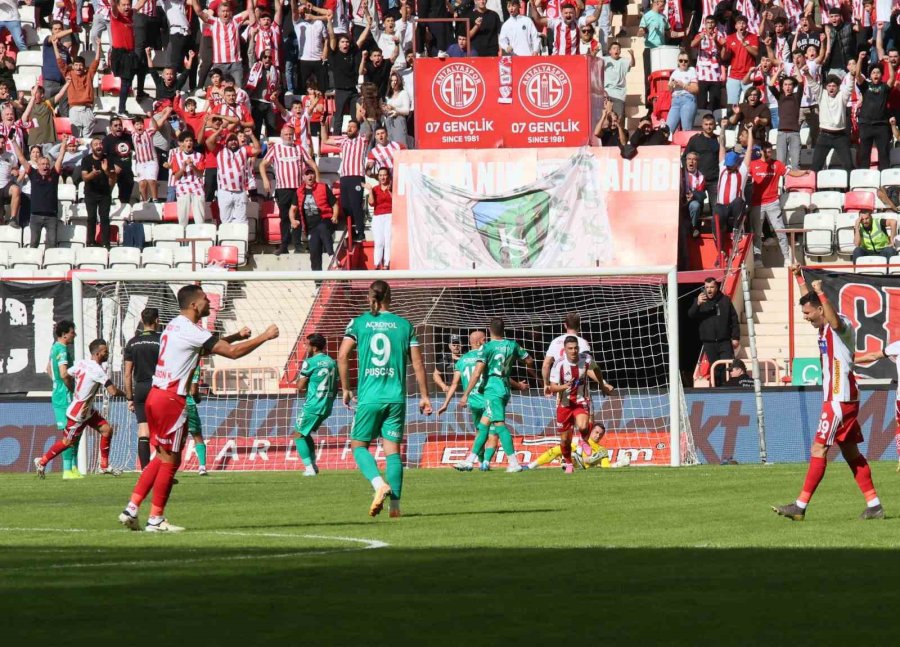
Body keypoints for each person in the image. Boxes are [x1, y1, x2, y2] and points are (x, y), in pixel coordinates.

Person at [118, 284, 279, 532]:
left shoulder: (174, 324)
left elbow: (206, 346)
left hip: (155, 395)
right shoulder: (191, 330)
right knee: (171, 460)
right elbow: (232, 354)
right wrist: (265, 336)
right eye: (205, 299)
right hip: (171, 399)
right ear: (194, 304)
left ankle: (132, 507)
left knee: (160, 456)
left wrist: (236, 335)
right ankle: (156, 519)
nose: (209, 303)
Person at [774, 269, 884, 521]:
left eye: (808, 313)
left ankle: (800, 507)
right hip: (843, 398)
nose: (805, 317)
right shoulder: (823, 324)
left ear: (821, 309)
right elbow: (810, 301)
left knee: (818, 448)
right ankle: (874, 505)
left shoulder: (840, 326)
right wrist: (799, 279)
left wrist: (822, 293)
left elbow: (832, 319)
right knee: (850, 452)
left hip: (839, 398)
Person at [338, 280, 432, 517]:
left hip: (370, 396)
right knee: (393, 451)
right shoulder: (404, 325)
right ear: (391, 297)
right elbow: (418, 363)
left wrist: (347, 389)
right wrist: (424, 396)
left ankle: (379, 485)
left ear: (370, 296)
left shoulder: (358, 323)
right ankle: (396, 508)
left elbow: (342, 356)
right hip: (396, 398)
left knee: (358, 446)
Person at [34, 339, 125, 478]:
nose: (108, 353)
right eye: (105, 351)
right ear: (98, 353)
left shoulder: (82, 363)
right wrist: (128, 395)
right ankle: (42, 461)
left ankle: (104, 466)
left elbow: (65, 375)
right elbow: (112, 391)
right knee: (67, 442)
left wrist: (74, 390)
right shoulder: (98, 370)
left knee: (107, 430)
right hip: (78, 414)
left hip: (87, 411)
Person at [438, 330, 528, 471]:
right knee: (490, 431)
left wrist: (456, 398)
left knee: (486, 428)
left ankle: (505, 462)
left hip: (480, 397)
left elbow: (456, 382)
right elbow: (501, 371)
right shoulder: (492, 351)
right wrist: (519, 384)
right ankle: (481, 461)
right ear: (481, 341)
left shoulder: (465, 358)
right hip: (489, 394)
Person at [458, 316, 534, 473]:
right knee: (484, 424)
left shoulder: (487, 348)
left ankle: (514, 462)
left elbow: (477, 372)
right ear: (503, 330)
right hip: (504, 386)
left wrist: (466, 394)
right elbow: (529, 360)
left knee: (499, 425)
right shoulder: (512, 345)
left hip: (492, 389)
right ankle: (470, 461)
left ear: (490, 330)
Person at [546, 336, 613, 473]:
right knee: (565, 440)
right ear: (565, 350)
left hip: (580, 400)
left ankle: (583, 440)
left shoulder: (586, 360)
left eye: (576, 348)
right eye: (570, 348)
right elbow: (552, 387)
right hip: (564, 404)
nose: (574, 351)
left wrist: (602, 384)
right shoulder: (559, 364)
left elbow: (597, 370)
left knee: (583, 426)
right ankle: (569, 464)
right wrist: (563, 386)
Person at [748, 140, 809, 267]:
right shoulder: (753, 165)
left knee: (780, 231)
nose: (769, 154)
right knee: (757, 233)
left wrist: (803, 172)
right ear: (760, 152)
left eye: (770, 152)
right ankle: (758, 260)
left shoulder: (777, 164)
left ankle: (787, 258)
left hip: (772, 203)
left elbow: (791, 173)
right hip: (757, 203)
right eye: (766, 152)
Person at [260, 124, 320, 255]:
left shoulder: (299, 149)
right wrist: (265, 179)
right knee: (284, 217)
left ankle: (298, 245)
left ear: (293, 136)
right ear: (281, 136)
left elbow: (312, 163)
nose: (288, 136)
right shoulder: (276, 149)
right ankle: (284, 245)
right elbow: (263, 164)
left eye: (290, 134)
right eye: (286, 134)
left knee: (298, 216)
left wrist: (318, 180)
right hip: (283, 188)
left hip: (298, 188)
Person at [123, 308, 161, 472]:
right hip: (159, 388)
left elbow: (127, 374)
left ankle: (145, 470)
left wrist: (130, 398)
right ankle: (163, 469)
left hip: (141, 389)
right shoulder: (163, 340)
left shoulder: (132, 342)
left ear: (142, 320)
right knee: (162, 431)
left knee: (143, 430)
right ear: (157, 320)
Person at [294, 333, 337, 477]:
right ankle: (313, 465)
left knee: (298, 435)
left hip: (313, 404)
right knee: (306, 434)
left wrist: (302, 380)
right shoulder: (331, 362)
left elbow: (300, 386)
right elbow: (336, 385)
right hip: (327, 405)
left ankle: (309, 468)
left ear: (314, 347)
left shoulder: (309, 362)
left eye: (306, 344)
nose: (305, 347)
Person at [12, 138, 67, 249]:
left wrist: (64, 143)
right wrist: (13, 141)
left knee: (52, 244)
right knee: (34, 244)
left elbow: (60, 157)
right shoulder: (33, 174)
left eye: (47, 164)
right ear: (38, 165)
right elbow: (21, 158)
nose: (45, 166)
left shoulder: (54, 174)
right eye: (42, 164)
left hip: (51, 217)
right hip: (35, 216)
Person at [689, 277, 741, 387]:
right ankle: (718, 389)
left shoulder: (725, 300)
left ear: (716, 287)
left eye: (712, 287)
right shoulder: (700, 301)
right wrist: (697, 304)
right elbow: (691, 315)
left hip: (724, 341)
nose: (709, 290)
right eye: (707, 287)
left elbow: (734, 319)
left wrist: (735, 337)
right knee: (715, 368)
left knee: (727, 366)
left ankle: (728, 388)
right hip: (709, 342)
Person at [713, 126, 753, 263]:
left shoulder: (742, 169)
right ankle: (720, 250)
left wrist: (751, 132)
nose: (729, 168)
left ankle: (737, 228)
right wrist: (723, 128)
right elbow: (722, 144)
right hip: (722, 206)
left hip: (735, 205)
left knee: (738, 201)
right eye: (728, 165)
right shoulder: (723, 166)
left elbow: (749, 150)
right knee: (716, 214)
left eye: (731, 165)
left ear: (737, 163)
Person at [325, 120, 369, 243]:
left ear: (358, 130)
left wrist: (365, 118)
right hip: (344, 177)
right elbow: (325, 140)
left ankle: (361, 233)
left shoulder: (362, 140)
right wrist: (323, 125)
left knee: (356, 204)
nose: (349, 129)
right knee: (345, 206)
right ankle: (351, 232)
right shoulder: (343, 140)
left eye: (352, 127)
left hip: (356, 176)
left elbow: (370, 133)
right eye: (348, 126)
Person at [48, 320, 80, 480]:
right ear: (65, 334)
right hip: (64, 397)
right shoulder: (61, 349)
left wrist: (56, 385)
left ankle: (74, 467)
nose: (75, 334)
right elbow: (63, 374)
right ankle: (67, 470)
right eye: (73, 332)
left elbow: (48, 369)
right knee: (69, 433)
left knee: (75, 431)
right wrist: (71, 389)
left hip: (59, 394)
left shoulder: (54, 347)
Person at [525, 421, 628, 470]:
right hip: (578, 460)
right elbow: (555, 451)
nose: (598, 435)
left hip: (584, 467)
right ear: (590, 431)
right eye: (596, 432)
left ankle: (569, 462)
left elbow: (606, 468)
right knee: (557, 449)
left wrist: (620, 464)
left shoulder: (602, 450)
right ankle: (530, 466)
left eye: (601, 434)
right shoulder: (578, 441)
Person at [210, 128, 261, 224]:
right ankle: (227, 239)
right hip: (224, 191)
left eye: (234, 139)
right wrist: (218, 131)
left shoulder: (244, 150)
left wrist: (251, 135)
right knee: (225, 220)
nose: (233, 142)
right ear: (225, 142)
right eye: (230, 140)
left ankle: (240, 239)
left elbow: (258, 150)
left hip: (240, 191)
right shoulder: (219, 150)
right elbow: (209, 142)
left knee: (241, 220)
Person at [854, 51, 893, 171]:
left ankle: (885, 184)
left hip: (881, 126)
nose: (876, 74)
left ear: (881, 75)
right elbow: (857, 75)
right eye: (873, 72)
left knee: (884, 155)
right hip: (866, 125)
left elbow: (891, 77)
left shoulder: (884, 87)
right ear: (870, 75)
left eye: (878, 72)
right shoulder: (865, 85)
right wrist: (860, 59)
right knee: (864, 155)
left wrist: (889, 63)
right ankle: (863, 181)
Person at [295, 166, 339, 270]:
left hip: (326, 220)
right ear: (303, 177)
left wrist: (335, 215)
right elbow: (292, 209)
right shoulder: (299, 192)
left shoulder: (323, 187)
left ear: (315, 175)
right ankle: (317, 283)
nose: (310, 176)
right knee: (314, 254)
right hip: (312, 228)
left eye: (312, 173)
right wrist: (293, 220)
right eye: (307, 174)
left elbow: (335, 204)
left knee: (322, 227)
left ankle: (332, 256)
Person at [55, 42, 101, 138]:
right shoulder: (69, 74)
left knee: (87, 138)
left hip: (87, 109)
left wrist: (99, 46)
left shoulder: (89, 74)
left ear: (84, 67)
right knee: (76, 138)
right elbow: (60, 62)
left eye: (80, 65)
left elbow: (96, 62)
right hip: (74, 109)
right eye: (76, 65)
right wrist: (55, 45)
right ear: (73, 66)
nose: (78, 67)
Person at [80, 136, 118, 249]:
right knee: (91, 217)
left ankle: (106, 243)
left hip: (105, 193)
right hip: (90, 193)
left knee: (104, 218)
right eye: (96, 144)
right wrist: (92, 174)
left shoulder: (108, 159)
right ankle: (90, 242)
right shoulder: (86, 159)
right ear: (92, 147)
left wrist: (106, 170)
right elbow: (85, 177)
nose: (99, 146)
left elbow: (113, 177)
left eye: (100, 144)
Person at [813, 74, 854, 171]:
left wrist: (852, 76)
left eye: (834, 86)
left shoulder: (842, 96)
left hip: (840, 136)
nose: (831, 88)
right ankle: (814, 186)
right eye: (829, 86)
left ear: (838, 87)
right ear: (826, 87)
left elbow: (850, 87)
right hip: (824, 136)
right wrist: (807, 74)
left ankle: (848, 186)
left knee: (848, 165)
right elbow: (813, 85)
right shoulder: (821, 95)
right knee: (815, 166)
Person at [686, 114, 721, 214]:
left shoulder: (718, 139)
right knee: (697, 207)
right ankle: (696, 229)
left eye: (711, 124)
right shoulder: (695, 139)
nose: (708, 126)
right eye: (706, 124)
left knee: (716, 209)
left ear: (714, 125)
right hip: (697, 180)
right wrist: (690, 173)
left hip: (714, 179)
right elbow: (685, 157)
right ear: (702, 125)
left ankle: (716, 230)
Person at [170, 132, 206, 227]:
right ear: (181, 143)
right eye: (186, 141)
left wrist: (192, 166)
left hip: (197, 186)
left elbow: (200, 173)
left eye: (190, 140)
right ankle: (183, 238)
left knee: (199, 216)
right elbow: (176, 176)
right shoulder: (176, 157)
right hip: (182, 186)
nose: (189, 143)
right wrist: (183, 167)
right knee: (182, 217)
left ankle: (200, 237)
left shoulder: (199, 156)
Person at [723, 14, 759, 105]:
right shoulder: (730, 38)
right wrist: (723, 46)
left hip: (748, 76)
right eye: (739, 23)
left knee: (750, 104)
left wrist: (745, 43)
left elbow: (756, 53)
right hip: (733, 76)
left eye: (744, 23)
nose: (741, 25)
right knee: (732, 105)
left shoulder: (753, 37)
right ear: (736, 26)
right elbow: (724, 57)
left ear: (747, 26)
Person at [102, 116, 135, 208]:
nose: (118, 127)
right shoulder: (107, 140)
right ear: (111, 128)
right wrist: (111, 167)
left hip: (127, 171)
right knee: (107, 191)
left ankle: (125, 213)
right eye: (115, 125)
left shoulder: (128, 137)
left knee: (125, 199)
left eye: (120, 125)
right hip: (113, 171)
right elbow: (103, 157)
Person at [638, 0, 667, 98]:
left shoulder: (663, 17)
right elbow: (640, 31)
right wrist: (641, 32)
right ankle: (649, 105)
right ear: (657, 2)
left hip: (661, 50)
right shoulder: (647, 16)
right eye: (663, 3)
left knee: (661, 77)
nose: (665, 5)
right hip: (649, 50)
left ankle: (660, 101)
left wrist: (683, 33)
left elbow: (670, 33)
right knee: (649, 77)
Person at [667, 53, 699, 133]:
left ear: (688, 62)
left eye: (685, 61)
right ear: (678, 62)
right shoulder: (674, 72)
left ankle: (687, 145)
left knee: (686, 129)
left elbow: (696, 89)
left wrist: (683, 85)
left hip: (687, 99)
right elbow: (670, 90)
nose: (683, 63)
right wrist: (671, 85)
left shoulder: (691, 70)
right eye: (681, 61)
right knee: (668, 129)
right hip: (675, 101)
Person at [368, 167, 393, 270]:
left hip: (390, 215)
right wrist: (370, 190)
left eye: (384, 175)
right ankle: (377, 263)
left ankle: (386, 263)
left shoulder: (392, 188)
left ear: (388, 176)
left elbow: (396, 201)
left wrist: (390, 190)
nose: (383, 177)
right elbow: (372, 203)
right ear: (378, 177)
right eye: (380, 175)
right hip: (378, 216)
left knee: (388, 240)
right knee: (379, 241)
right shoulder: (375, 189)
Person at [683, 151, 706, 239]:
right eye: (689, 159)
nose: (691, 161)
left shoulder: (701, 176)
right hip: (680, 200)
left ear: (697, 162)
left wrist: (693, 196)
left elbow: (701, 194)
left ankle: (693, 228)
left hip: (692, 201)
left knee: (696, 205)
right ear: (686, 161)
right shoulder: (680, 173)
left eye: (694, 159)